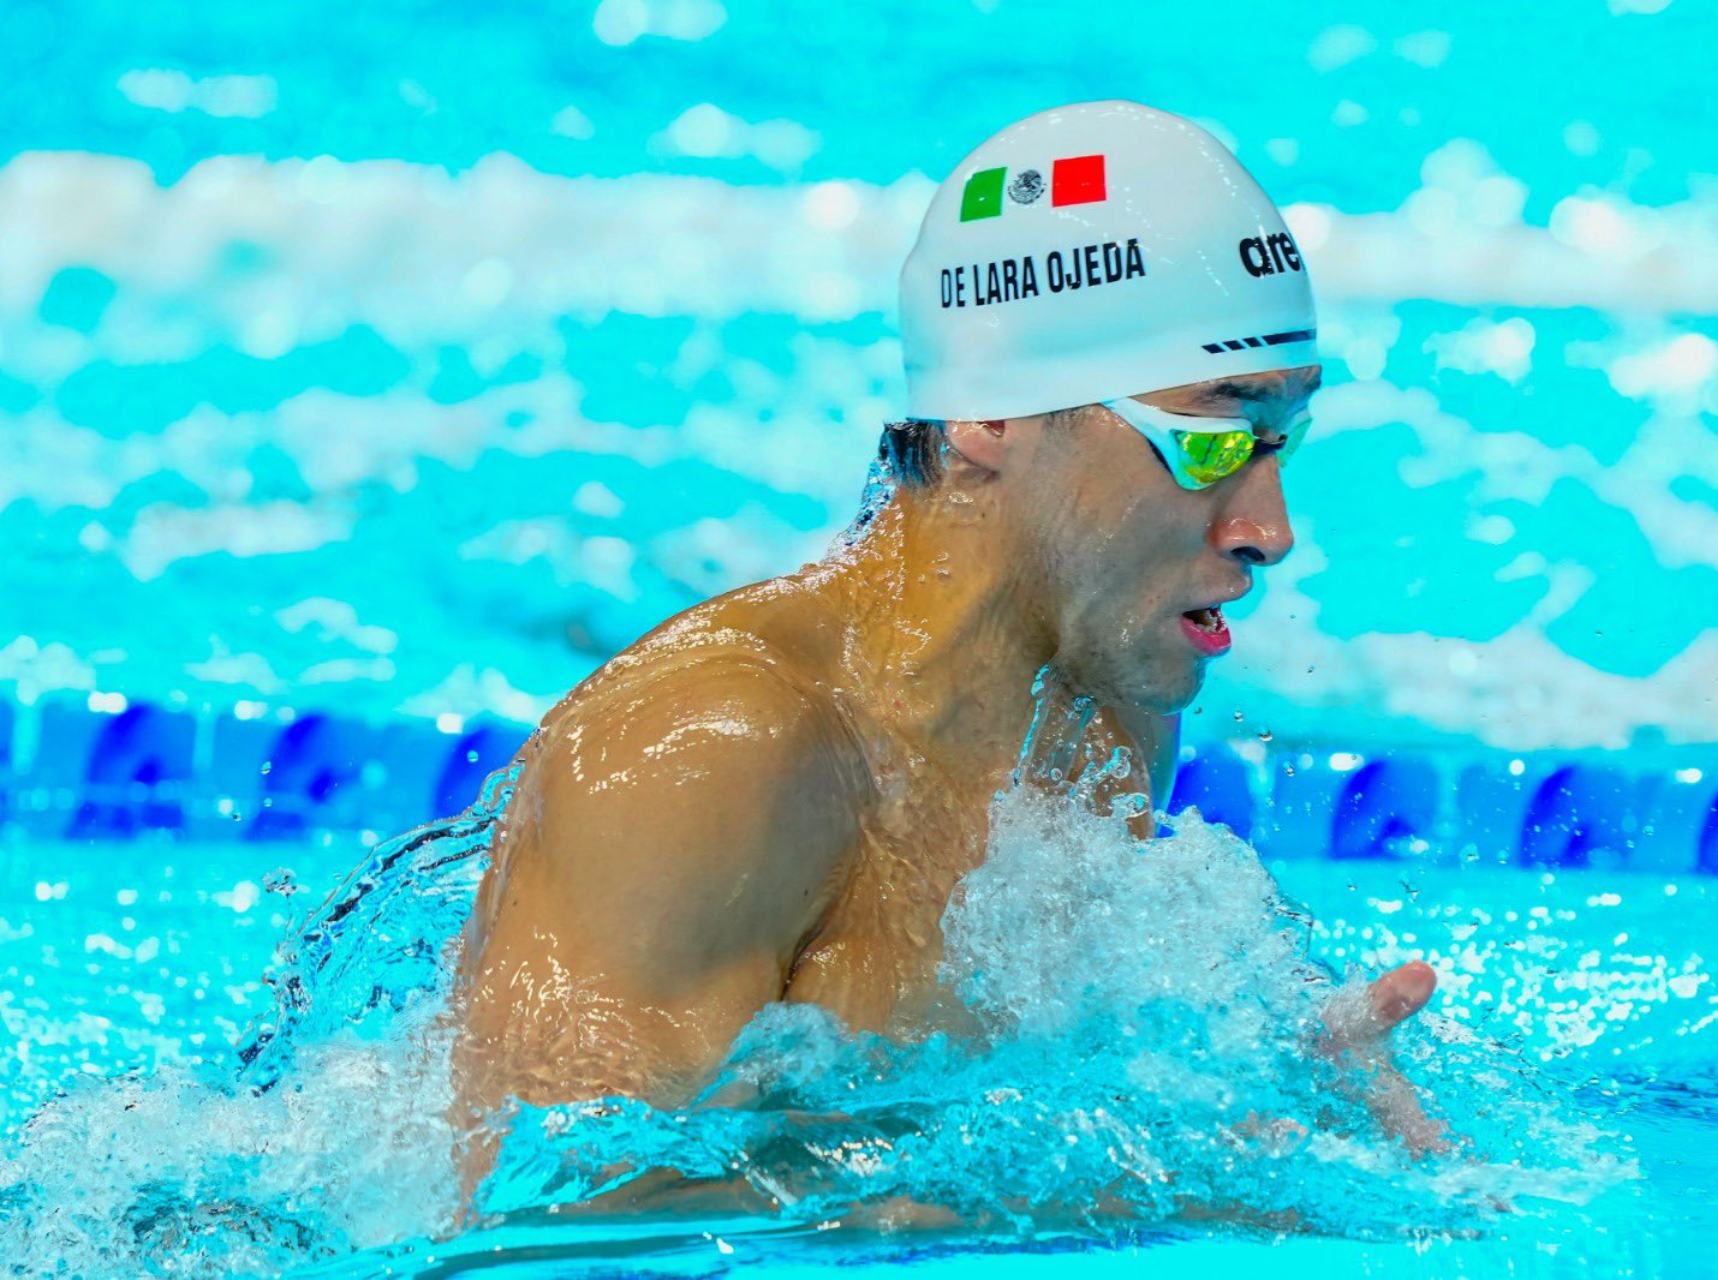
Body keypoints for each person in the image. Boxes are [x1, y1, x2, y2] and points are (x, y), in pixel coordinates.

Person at [451, 99, 1444, 1210]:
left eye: (1281, 440)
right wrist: (1118, 1199)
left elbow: (990, 1103)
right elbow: (536, 1220)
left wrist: (1256, 1101)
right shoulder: (712, 755)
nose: (1269, 525)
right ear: (987, 414)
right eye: (1210, 438)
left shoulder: (1098, 709)